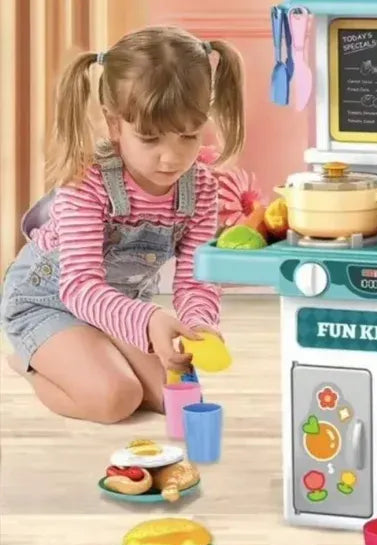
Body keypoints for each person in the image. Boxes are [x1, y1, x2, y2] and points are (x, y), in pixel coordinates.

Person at [0, 26, 244, 423]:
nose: (171, 157)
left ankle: (96, 349)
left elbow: (195, 280)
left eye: (188, 135)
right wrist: (149, 321)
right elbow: (79, 286)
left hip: (116, 307)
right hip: (50, 302)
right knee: (116, 398)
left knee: (178, 396)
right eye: (150, 139)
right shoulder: (87, 183)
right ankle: (28, 363)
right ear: (115, 125)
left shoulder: (200, 188)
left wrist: (199, 323)